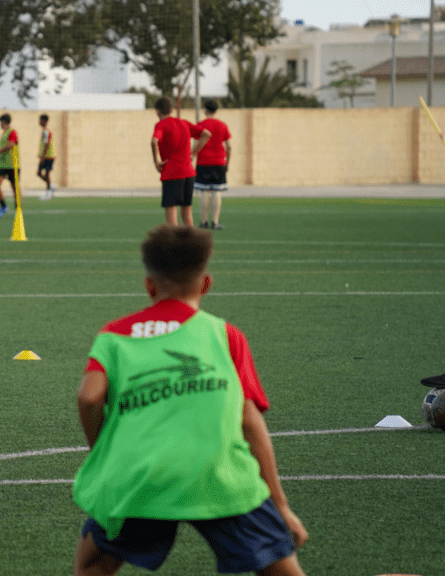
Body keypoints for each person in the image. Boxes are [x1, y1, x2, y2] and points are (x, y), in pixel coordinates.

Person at [72, 224, 308, 576]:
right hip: (219, 475)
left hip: (143, 475)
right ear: (206, 283)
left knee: (94, 563)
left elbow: (89, 398)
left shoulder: (116, 334)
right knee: (278, 567)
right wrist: (281, 505)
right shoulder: (225, 334)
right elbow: (249, 422)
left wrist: (104, 455)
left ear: (149, 286)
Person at [151, 97, 210, 226]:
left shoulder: (160, 125)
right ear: (171, 110)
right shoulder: (184, 123)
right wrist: (193, 153)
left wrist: (156, 162)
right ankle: (192, 244)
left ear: (157, 112)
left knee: (171, 213)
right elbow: (206, 134)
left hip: (172, 173)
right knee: (187, 212)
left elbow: (154, 141)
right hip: (188, 173)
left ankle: (174, 245)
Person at [195, 100, 232, 230]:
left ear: (205, 110)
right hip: (219, 162)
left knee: (204, 191)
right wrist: (228, 162)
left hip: (203, 162)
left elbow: (196, 145)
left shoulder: (200, 125)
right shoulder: (222, 125)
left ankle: (204, 222)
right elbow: (229, 147)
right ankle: (215, 223)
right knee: (216, 191)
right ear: (216, 111)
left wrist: (192, 155)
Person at [0, 113, 19, 218]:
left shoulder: (12, 132)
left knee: (15, 188)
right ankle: (3, 207)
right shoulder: (4, 133)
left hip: (12, 164)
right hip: (1, 164)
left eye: (0, 122)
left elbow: (11, 145)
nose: (0, 124)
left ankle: (18, 210)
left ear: (4, 122)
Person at [36, 114, 57, 200]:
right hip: (45, 156)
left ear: (44, 121)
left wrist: (43, 157)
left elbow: (47, 144)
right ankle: (51, 185)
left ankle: (48, 193)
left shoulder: (47, 131)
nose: (39, 122)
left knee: (47, 174)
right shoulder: (44, 131)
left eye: (40, 120)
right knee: (39, 173)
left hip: (49, 156)